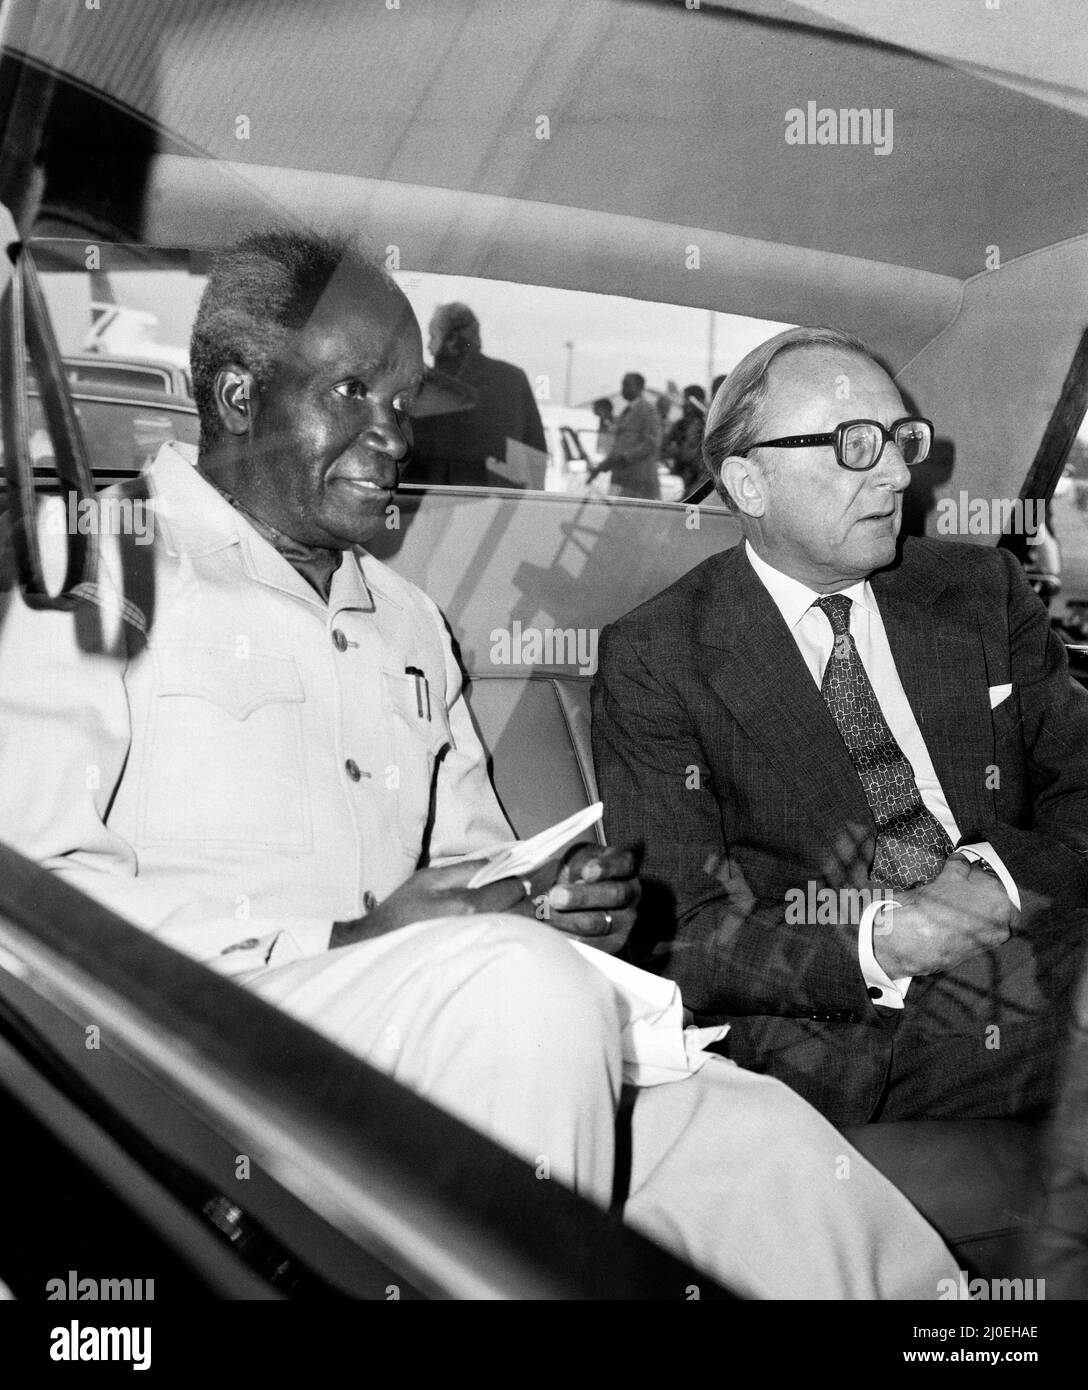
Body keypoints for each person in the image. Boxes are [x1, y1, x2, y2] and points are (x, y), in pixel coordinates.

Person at [0, 242, 958, 1298]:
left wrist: (541, 900)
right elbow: (28, 896)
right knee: (525, 996)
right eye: (352, 392)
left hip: (444, 1028)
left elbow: (473, 861)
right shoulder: (92, 564)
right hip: (206, 1038)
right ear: (237, 395)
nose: (395, 435)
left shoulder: (407, 622)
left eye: (404, 399)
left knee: (762, 1143)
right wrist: (350, 938)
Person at [592, 325, 1088, 1127]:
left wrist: (997, 879)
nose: (897, 473)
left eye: (901, 439)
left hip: (1042, 938)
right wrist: (883, 943)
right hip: (853, 1028)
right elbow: (678, 931)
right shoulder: (658, 656)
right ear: (748, 482)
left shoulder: (979, 591)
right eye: (856, 444)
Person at [405, 301, 547, 488]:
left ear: (451, 340)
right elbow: (536, 453)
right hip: (504, 506)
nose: (429, 348)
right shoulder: (514, 378)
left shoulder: (430, 387)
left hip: (437, 505)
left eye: (432, 337)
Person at [587, 373, 661, 499]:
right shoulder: (626, 412)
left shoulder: (648, 411)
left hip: (638, 482)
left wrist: (624, 457)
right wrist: (601, 468)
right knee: (613, 514)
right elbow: (619, 446)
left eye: (627, 385)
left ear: (639, 387)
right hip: (621, 478)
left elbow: (651, 444)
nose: (623, 389)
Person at [663, 384, 707, 492]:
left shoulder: (706, 425)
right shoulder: (680, 424)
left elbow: (690, 454)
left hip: (698, 479)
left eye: (686, 400)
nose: (684, 404)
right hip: (682, 477)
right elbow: (664, 446)